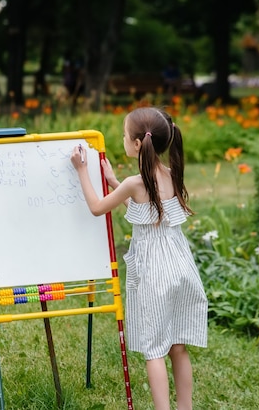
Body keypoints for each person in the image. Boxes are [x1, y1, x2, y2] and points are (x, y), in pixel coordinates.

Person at [70, 107, 208, 410]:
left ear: (136, 144)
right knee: (177, 346)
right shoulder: (171, 174)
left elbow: (96, 207)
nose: (122, 138)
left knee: (154, 350)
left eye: (123, 134)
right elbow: (149, 210)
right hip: (180, 266)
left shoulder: (136, 182)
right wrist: (114, 180)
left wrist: (82, 171)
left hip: (155, 271)